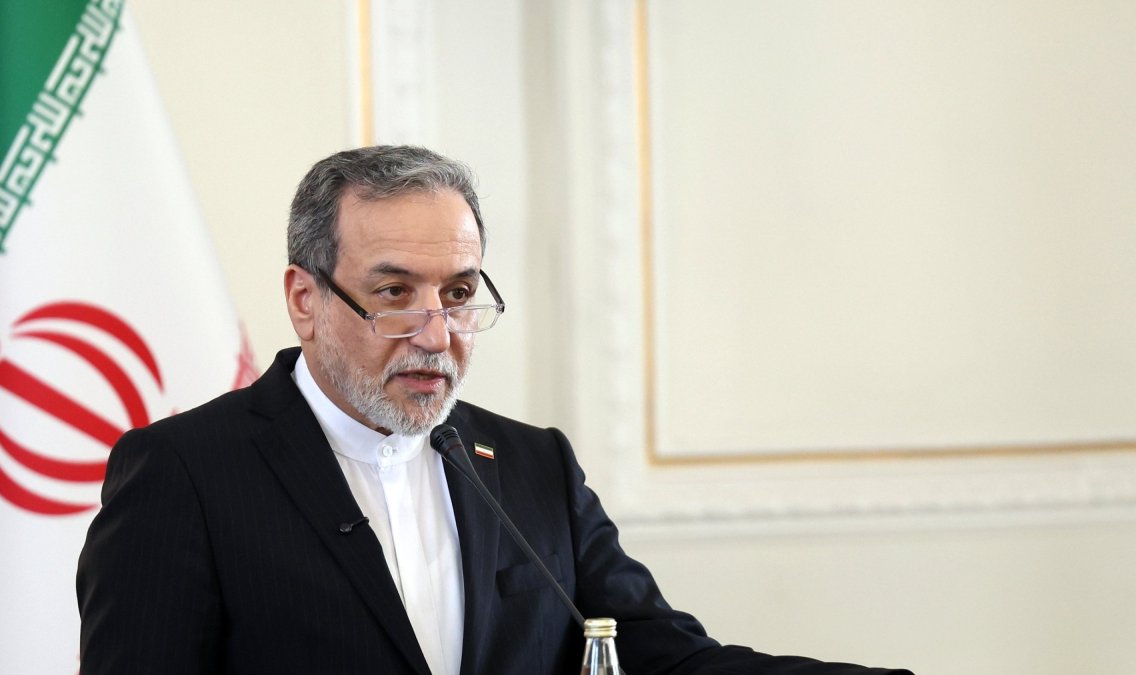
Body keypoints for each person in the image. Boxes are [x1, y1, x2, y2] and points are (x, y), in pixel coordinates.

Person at [77, 145, 911, 674]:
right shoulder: (185, 473)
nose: (436, 333)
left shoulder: (532, 465)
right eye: (394, 293)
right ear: (306, 299)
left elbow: (665, 660)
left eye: (459, 292)